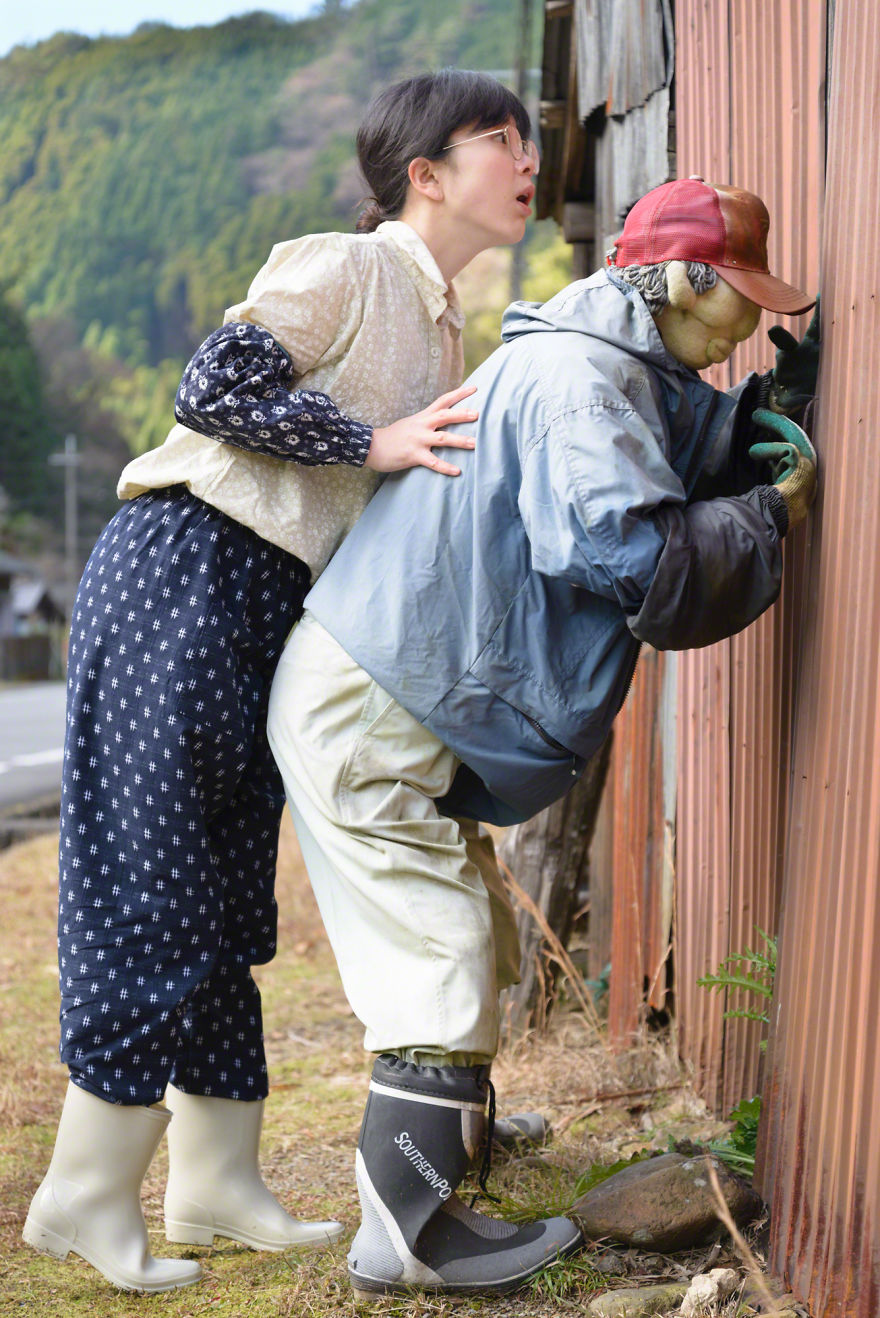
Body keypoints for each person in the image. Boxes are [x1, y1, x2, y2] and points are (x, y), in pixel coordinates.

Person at [23, 69, 541, 1294]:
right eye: (500, 139)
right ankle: (83, 1195)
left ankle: (217, 1181)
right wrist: (374, 442)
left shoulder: (440, 317)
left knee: (222, 900)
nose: (527, 158)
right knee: (150, 880)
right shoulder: (348, 264)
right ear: (424, 173)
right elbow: (213, 387)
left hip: (264, 606)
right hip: (186, 568)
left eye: (529, 139)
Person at [265, 178, 820, 1297]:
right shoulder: (581, 383)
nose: (750, 325)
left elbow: (675, 445)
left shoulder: (603, 362)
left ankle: (444, 1147)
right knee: (437, 948)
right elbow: (635, 558)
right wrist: (772, 515)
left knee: (465, 929)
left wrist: (769, 409)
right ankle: (408, 1235)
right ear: (680, 280)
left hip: (391, 681)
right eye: (741, 302)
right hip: (375, 698)